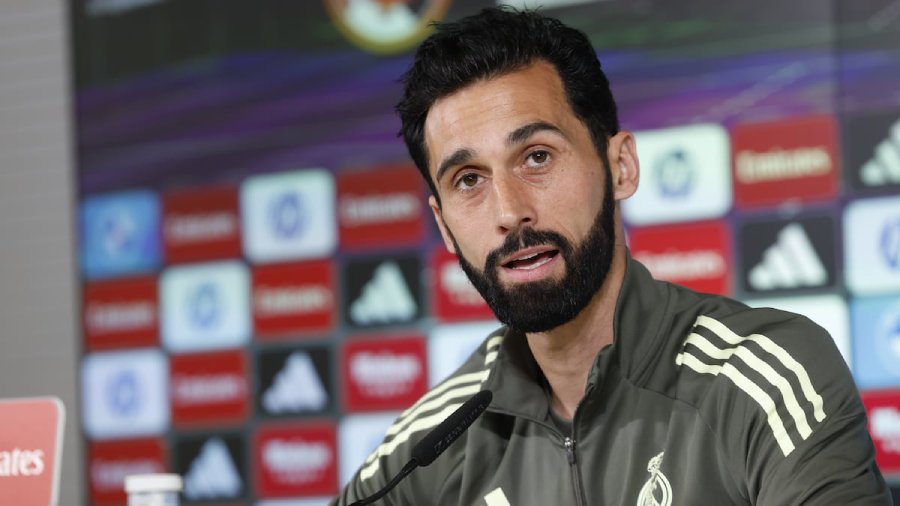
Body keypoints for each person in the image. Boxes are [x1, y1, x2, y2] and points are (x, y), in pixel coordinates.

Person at [334, 7, 892, 505]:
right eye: (469, 179)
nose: (509, 211)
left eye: (536, 157)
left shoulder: (767, 378)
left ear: (619, 167)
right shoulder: (428, 445)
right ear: (444, 227)